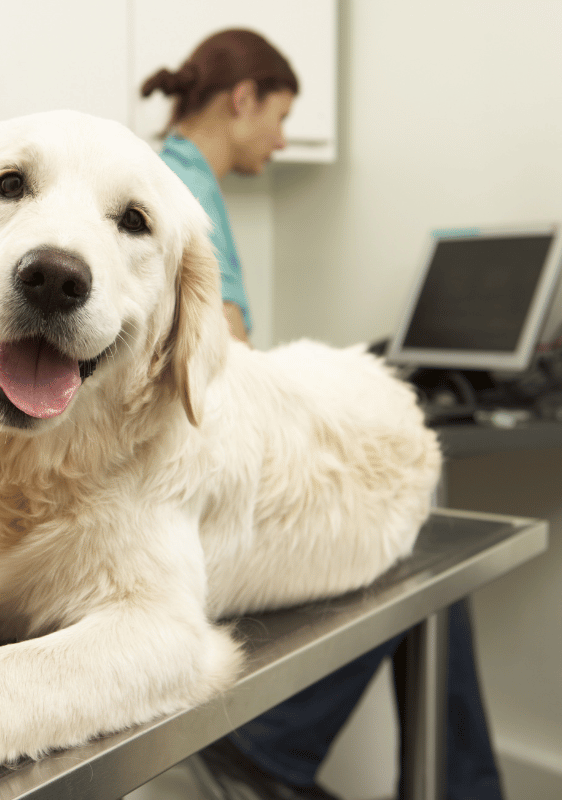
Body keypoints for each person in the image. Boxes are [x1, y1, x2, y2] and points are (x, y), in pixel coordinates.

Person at [140, 29, 505, 800]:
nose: (281, 138)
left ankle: (302, 753)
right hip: (179, 499)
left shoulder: (165, 176)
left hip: (172, 481)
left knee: (415, 541)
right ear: (243, 99)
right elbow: (222, 370)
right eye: (279, 115)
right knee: (414, 534)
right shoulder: (183, 194)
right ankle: (271, 748)